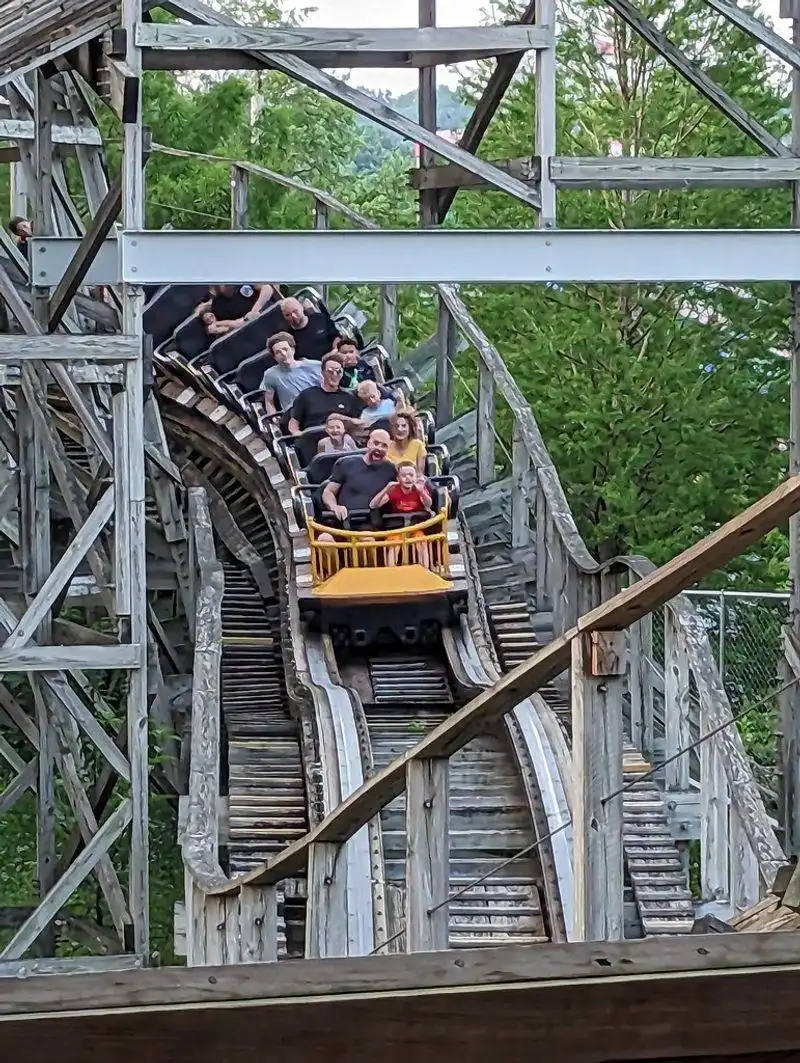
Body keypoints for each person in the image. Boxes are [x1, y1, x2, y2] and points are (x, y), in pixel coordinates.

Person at [320, 429, 396, 527]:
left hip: (371, 525)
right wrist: (334, 507)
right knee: (324, 538)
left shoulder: (390, 469)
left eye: (384, 445)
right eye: (376, 443)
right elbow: (328, 491)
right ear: (368, 443)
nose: (379, 448)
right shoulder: (346, 463)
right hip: (344, 522)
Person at [370, 461, 434, 568]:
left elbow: (429, 504)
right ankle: (391, 571)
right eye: (404, 476)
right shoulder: (393, 490)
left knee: (422, 542)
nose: (408, 478)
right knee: (394, 544)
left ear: (415, 477)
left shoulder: (420, 489)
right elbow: (373, 505)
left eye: (411, 475)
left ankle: (425, 570)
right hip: (397, 528)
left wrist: (421, 492)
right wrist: (386, 488)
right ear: (398, 478)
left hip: (415, 527)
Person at [287, 352, 361, 435]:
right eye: (330, 371)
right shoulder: (306, 395)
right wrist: (298, 434)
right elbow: (294, 424)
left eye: (338, 371)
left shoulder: (349, 397)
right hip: (314, 438)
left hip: (341, 439)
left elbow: (356, 423)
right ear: (322, 372)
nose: (334, 374)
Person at [260, 332, 321, 415]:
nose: (284, 354)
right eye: (278, 352)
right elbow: (269, 401)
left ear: (292, 349)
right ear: (274, 357)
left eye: (285, 349)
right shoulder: (270, 375)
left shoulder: (315, 365)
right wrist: (273, 417)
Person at [199, 283, 277, 333]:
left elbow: (267, 288)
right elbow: (230, 326)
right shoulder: (217, 306)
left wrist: (254, 311)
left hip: (270, 310)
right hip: (253, 327)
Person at [387, 409, 427, 474]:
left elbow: (420, 474)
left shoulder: (417, 444)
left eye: (404, 426)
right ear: (392, 429)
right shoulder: (386, 445)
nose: (400, 429)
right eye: (396, 426)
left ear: (410, 428)